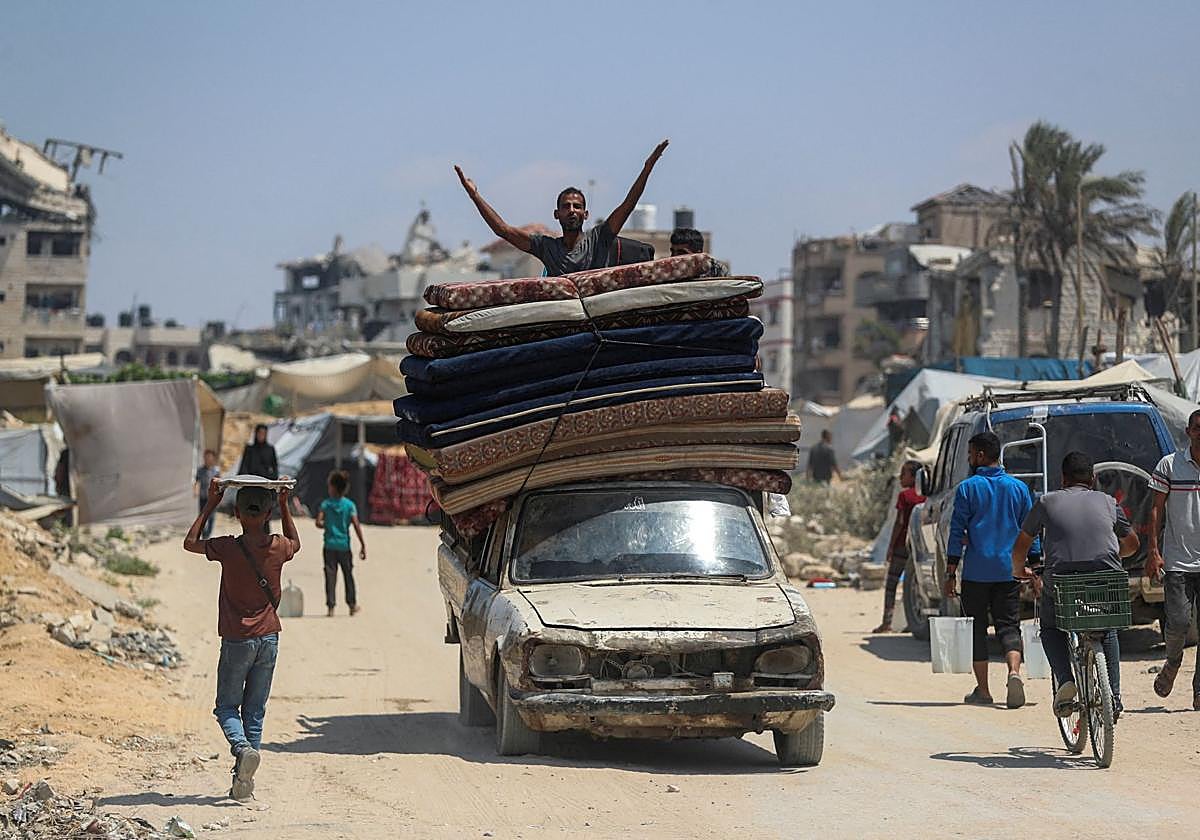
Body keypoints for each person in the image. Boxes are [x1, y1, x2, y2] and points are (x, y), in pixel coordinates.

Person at [183, 477, 300, 802]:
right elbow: (296, 542)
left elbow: (190, 542)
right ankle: (242, 782)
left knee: (225, 707)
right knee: (254, 712)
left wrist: (209, 503)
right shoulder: (277, 546)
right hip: (269, 639)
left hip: (237, 640)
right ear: (266, 514)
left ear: (236, 513)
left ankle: (242, 749)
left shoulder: (228, 547)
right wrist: (285, 505)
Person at [1011, 452, 1139, 719]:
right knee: (1108, 626)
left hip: (1063, 579)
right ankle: (1113, 696)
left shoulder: (1047, 501)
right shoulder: (1108, 502)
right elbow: (1133, 544)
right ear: (1092, 478)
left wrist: (1019, 570)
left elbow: (1022, 544)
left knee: (1050, 627)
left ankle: (1065, 678)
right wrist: (1114, 556)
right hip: (1106, 575)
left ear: (1063, 478)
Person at [454, 139, 669, 276]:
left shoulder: (599, 239)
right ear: (557, 214)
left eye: (577, 206)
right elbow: (503, 230)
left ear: (586, 214)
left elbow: (628, 204)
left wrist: (647, 168)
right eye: (566, 207)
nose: (572, 210)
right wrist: (475, 195)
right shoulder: (546, 247)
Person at [945, 431, 1037, 708]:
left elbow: (956, 531)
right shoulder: (1019, 489)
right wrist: (1034, 564)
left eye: (971, 454)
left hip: (976, 571)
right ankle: (1013, 672)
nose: (969, 458)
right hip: (1010, 570)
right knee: (1008, 625)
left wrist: (951, 572)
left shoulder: (967, 488)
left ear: (981, 455)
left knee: (978, 630)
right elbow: (1030, 531)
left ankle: (983, 691)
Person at [1146, 409, 1200, 711]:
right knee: (1178, 622)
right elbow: (1155, 509)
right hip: (1178, 561)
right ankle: (1173, 661)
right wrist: (1153, 551)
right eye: (1196, 427)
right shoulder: (1170, 465)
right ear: (1188, 431)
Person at [873, 460, 926, 633]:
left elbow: (899, 522)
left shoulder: (905, 496)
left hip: (902, 545)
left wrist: (890, 546)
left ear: (913, 476)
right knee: (915, 584)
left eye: (904, 473)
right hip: (919, 545)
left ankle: (887, 622)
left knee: (892, 584)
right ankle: (914, 620)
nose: (901, 477)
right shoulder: (926, 495)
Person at [315, 470, 367, 617]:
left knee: (330, 576)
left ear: (332, 487)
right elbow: (356, 525)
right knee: (348, 575)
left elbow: (318, 522)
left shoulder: (326, 504)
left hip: (329, 546)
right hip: (344, 546)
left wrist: (327, 525)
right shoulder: (349, 505)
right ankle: (352, 605)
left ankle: (330, 608)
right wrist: (363, 545)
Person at [194, 449, 222, 539]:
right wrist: (195, 490)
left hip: (213, 497)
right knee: (202, 516)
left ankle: (208, 534)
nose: (208, 460)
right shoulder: (200, 470)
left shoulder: (216, 471)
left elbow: (220, 483)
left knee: (212, 516)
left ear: (213, 459)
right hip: (203, 497)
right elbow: (197, 481)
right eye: (206, 458)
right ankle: (203, 534)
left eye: (210, 458)